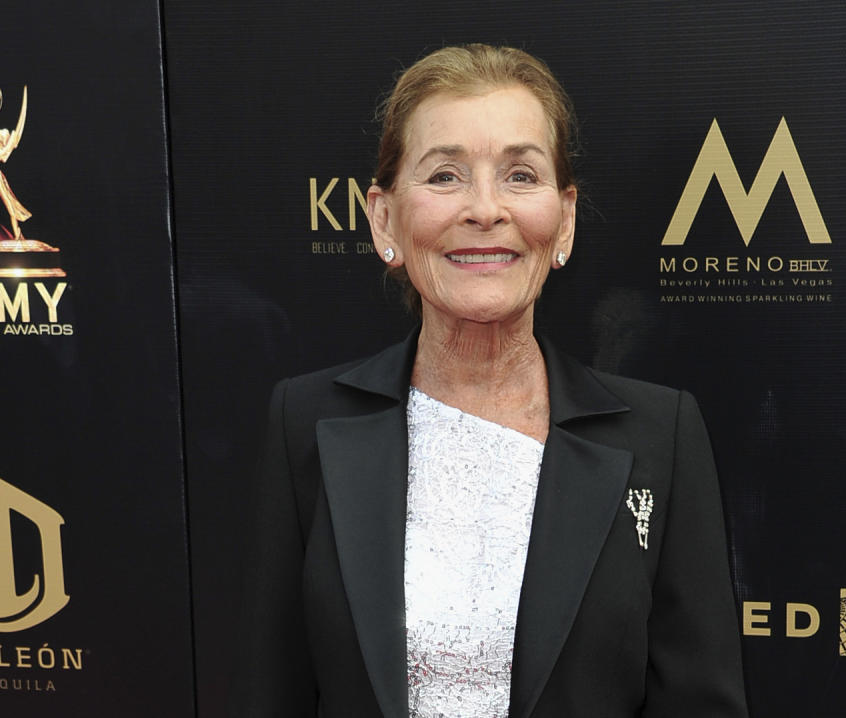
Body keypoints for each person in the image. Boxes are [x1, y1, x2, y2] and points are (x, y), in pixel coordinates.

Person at [234, 44, 748, 718]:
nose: (484, 208)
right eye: (445, 175)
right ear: (384, 218)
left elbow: (699, 704)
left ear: (562, 219)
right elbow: (274, 694)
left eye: (519, 175)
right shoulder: (305, 422)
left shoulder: (661, 436)